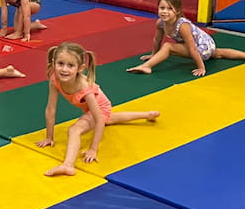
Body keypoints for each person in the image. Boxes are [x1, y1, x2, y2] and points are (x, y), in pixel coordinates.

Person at [38, 41, 160, 177]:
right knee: (110, 119)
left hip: (101, 109)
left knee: (74, 130)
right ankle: (148, 114)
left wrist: (93, 149)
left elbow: (99, 119)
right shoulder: (54, 79)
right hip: (96, 109)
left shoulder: (85, 88)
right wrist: (49, 137)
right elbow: (51, 109)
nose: (64, 69)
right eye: (60, 64)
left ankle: (68, 165)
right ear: (53, 63)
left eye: (70, 65)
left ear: (80, 68)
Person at [127, 0, 245, 76]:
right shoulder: (160, 23)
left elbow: (192, 47)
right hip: (208, 44)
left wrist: (201, 68)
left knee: (168, 47)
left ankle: (147, 67)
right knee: (218, 53)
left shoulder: (182, 25)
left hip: (201, 47)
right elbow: (157, 40)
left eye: (169, 9)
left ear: (177, 11)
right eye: (162, 8)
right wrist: (153, 54)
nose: (165, 12)